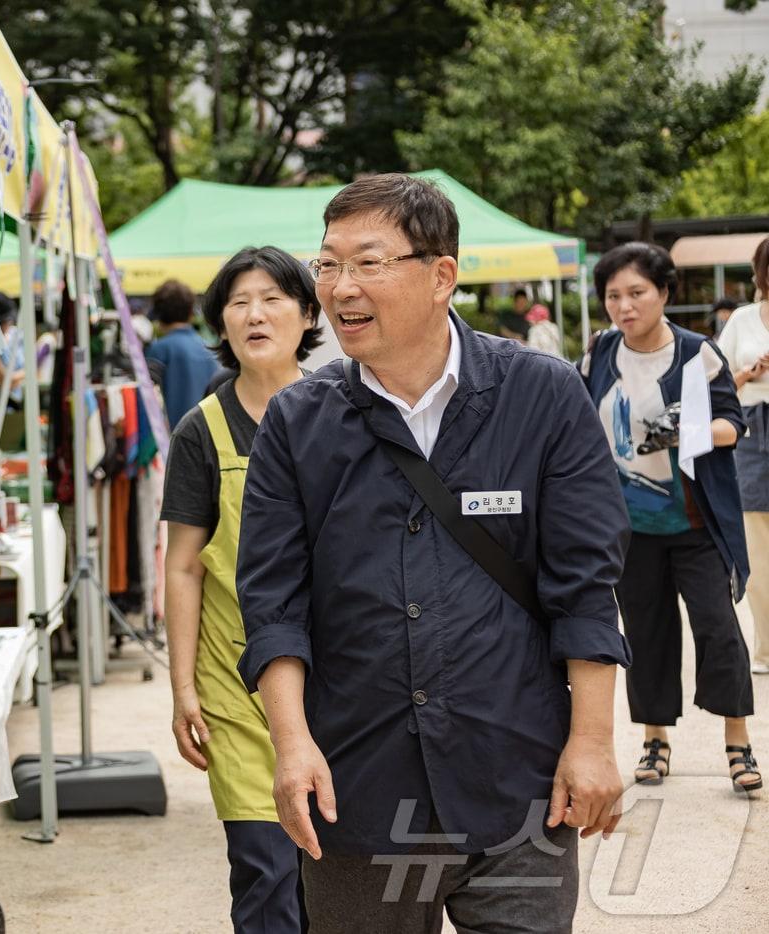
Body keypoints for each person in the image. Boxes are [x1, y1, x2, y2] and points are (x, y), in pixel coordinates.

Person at [237, 174, 630, 932]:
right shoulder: (296, 422)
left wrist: (592, 741)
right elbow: (274, 604)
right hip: (355, 787)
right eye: (327, 264)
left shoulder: (542, 396)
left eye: (368, 263)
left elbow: (584, 587)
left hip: (518, 778)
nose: (340, 287)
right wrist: (291, 747)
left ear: (441, 274)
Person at [162, 247, 323, 933]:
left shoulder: (342, 411)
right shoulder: (202, 430)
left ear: (309, 314)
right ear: (220, 324)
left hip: (337, 679)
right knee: (265, 870)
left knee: (336, 869)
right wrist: (183, 691)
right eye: (238, 302)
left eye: (273, 299)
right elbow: (182, 566)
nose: (255, 314)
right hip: (236, 687)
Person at [581, 241, 759, 792]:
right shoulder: (599, 354)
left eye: (636, 293)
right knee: (646, 632)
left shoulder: (697, 352)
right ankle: (655, 741)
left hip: (696, 523)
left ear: (663, 293)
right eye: (613, 295)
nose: (624, 306)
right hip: (630, 528)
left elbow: (735, 424)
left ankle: (738, 743)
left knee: (719, 629)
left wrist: (688, 431)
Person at [704, 236, 769, 674]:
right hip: (751, 429)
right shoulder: (743, 319)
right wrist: (751, 372)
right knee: (756, 541)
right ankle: (766, 645)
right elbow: (719, 382)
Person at [146, 279, 221, 428]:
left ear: (158, 313)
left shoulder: (159, 350)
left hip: (172, 438)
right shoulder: (210, 348)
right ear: (190, 312)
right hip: (209, 434)